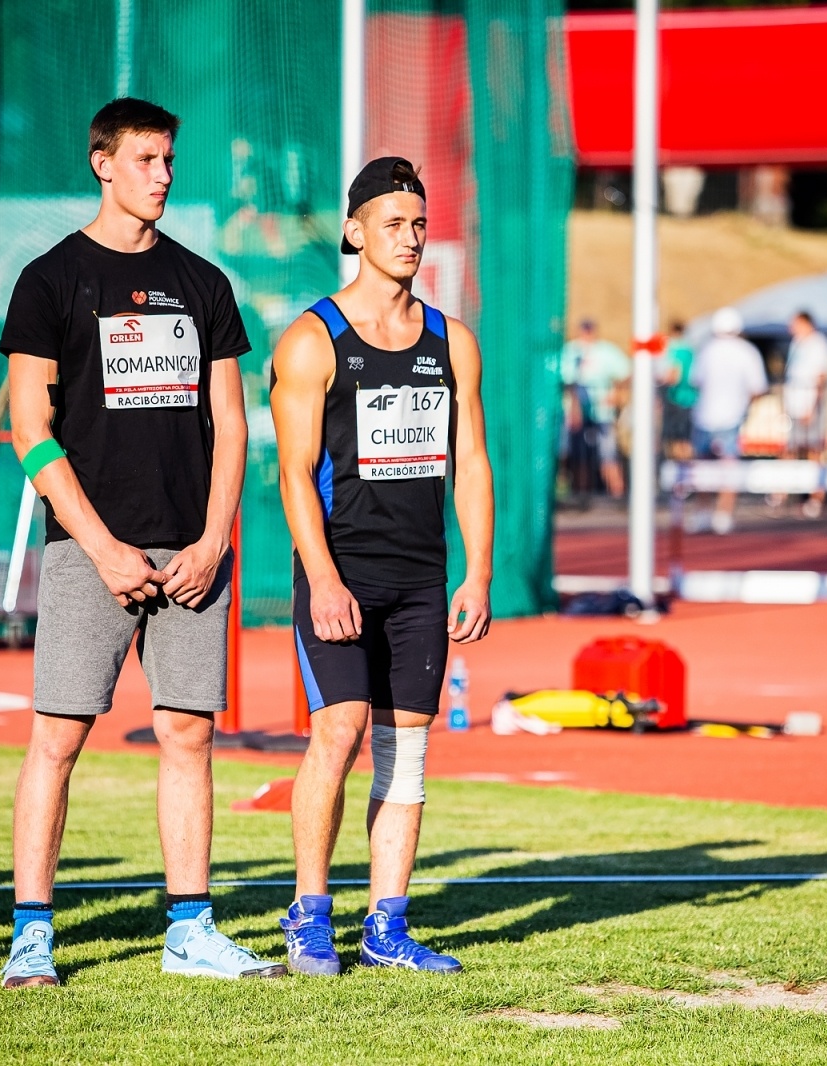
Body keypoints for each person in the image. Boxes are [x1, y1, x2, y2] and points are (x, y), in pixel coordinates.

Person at [0, 97, 281, 986]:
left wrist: (210, 539)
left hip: (192, 551)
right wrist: (104, 546)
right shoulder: (48, 280)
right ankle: (31, 934)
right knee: (58, 738)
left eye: (169, 160)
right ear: (102, 163)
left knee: (188, 737)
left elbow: (232, 427)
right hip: (91, 551)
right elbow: (28, 432)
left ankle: (190, 930)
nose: (163, 175)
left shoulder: (204, 282)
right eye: (148, 159)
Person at [270, 156, 493, 976]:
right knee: (338, 731)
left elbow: (471, 459)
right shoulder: (312, 338)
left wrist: (478, 572)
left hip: (422, 580)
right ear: (356, 232)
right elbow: (293, 472)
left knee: (409, 750)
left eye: (419, 223)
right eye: (393, 224)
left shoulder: (450, 340)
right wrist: (323, 580)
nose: (410, 238)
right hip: (341, 571)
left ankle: (387, 926)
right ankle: (309, 916)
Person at [687, 307, 767, 534]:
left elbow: (696, 381)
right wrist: (744, 404)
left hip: (704, 416)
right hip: (732, 417)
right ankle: (723, 514)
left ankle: (702, 513)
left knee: (703, 469)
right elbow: (757, 387)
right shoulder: (746, 351)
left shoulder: (707, 350)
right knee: (728, 469)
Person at [558, 319, 630, 498]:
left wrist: (616, 394)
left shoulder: (606, 351)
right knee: (574, 454)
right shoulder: (569, 351)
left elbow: (626, 373)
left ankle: (616, 492)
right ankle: (579, 492)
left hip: (602, 413)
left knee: (609, 453)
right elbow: (564, 381)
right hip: (575, 415)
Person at [784, 310, 827, 517]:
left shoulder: (818, 344)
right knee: (791, 448)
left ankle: (817, 497)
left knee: (814, 449)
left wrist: (812, 406)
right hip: (794, 405)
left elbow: (821, 376)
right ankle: (786, 492)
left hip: (809, 405)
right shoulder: (796, 343)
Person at [658, 319, 697, 459]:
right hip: (691, 398)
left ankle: (678, 474)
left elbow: (674, 375)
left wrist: (659, 382)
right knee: (687, 438)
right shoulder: (691, 350)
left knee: (675, 439)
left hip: (676, 398)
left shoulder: (676, 350)